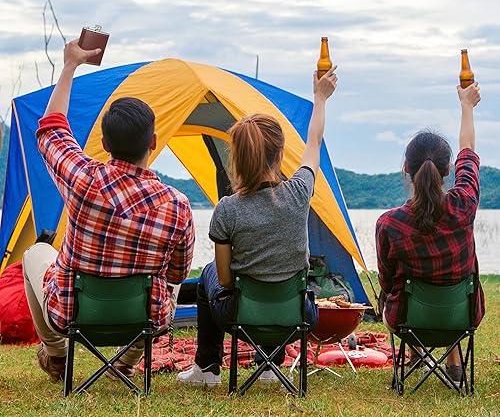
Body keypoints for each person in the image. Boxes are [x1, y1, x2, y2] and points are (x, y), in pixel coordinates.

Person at [23, 40, 195, 383]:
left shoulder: (82, 179)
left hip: (73, 314)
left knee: (34, 253)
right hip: (144, 319)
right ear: (153, 142)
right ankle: (127, 361)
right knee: (170, 280)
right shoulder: (177, 205)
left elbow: (51, 129)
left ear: (104, 145)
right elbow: (177, 274)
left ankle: (57, 353)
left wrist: (70, 65)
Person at [177, 65, 338, 387]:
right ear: (280, 155)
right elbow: (314, 142)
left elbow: (225, 279)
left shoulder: (227, 209)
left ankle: (207, 368)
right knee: (272, 280)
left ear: (236, 158)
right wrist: (320, 99)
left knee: (209, 273)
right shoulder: (299, 192)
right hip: (298, 315)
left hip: (241, 316)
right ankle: (269, 365)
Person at [376, 81, 485, 385]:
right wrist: (467, 106)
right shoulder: (463, 205)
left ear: (406, 168)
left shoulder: (389, 223)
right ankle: (454, 362)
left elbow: (387, 282)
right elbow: (468, 153)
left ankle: (415, 355)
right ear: (448, 170)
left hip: (409, 320)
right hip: (463, 317)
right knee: (444, 290)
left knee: (398, 290)